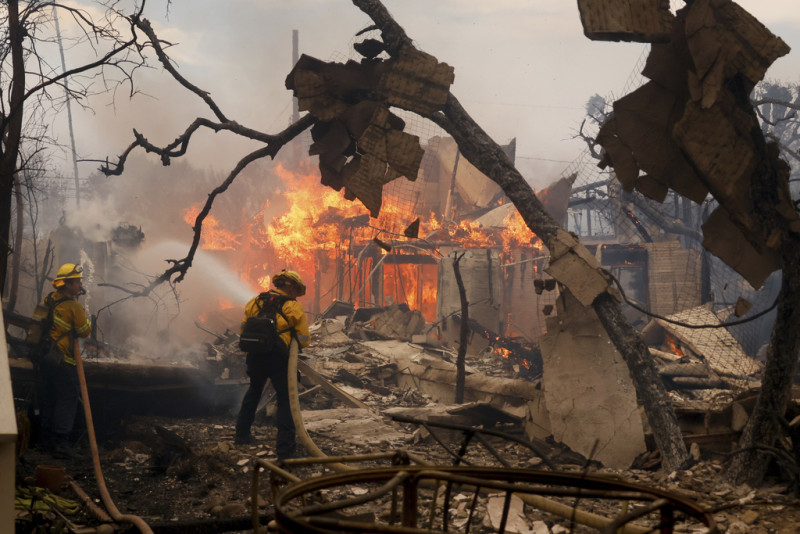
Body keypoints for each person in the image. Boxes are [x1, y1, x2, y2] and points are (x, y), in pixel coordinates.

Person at [235, 269, 310, 459]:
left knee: (254, 391)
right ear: (291, 286)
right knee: (286, 399)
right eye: (296, 289)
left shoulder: (255, 301)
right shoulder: (292, 307)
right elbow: (304, 339)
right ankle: (285, 450)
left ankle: (241, 435)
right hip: (277, 358)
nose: (296, 294)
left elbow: (244, 329)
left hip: (254, 355)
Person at [39, 263, 92, 459]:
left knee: (48, 397)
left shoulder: (48, 299)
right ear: (67, 284)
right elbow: (85, 331)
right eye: (77, 281)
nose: (80, 284)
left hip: (44, 357)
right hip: (63, 361)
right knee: (67, 398)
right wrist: (87, 317)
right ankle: (62, 443)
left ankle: (46, 441)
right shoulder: (74, 306)